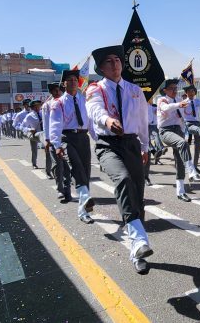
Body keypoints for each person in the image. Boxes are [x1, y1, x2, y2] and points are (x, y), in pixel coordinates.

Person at [86, 45, 153, 275]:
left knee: (138, 194)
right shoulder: (96, 89)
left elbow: (143, 120)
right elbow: (94, 110)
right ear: (101, 68)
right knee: (123, 180)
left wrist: (145, 146)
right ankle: (138, 238)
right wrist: (107, 121)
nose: (115, 64)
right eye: (109, 62)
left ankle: (138, 249)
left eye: (117, 60)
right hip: (108, 144)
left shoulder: (135, 90)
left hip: (132, 144)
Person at [49, 70, 94, 224]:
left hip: (83, 137)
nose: (73, 82)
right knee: (76, 167)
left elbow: (90, 122)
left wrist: (98, 139)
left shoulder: (84, 100)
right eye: (69, 80)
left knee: (86, 172)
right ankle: (85, 197)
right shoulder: (58, 103)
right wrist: (57, 145)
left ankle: (83, 212)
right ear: (64, 84)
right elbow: (54, 125)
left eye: (75, 79)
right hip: (67, 138)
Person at [157, 79, 200, 202]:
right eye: (171, 88)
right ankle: (192, 171)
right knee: (183, 143)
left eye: (175, 88)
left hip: (178, 130)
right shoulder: (162, 100)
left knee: (179, 160)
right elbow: (166, 108)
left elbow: (183, 116)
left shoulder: (179, 100)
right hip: (165, 131)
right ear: (165, 90)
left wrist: (183, 129)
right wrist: (178, 105)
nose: (174, 90)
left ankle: (180, 191)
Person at [43, 82, 72, 195]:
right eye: (55, 90)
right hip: (53, 139)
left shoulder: (66, 102)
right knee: (57, 165)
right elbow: (46, 123)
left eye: (59, 90)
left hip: (65, 138)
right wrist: (47, 139)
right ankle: (60, 189)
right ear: (51, 92)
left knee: (66, 165)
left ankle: (67, 189)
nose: (58, 92)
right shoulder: (47, 105)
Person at [21, 101, 44, 169]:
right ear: (32, 107)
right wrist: (30, 129)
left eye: (39, 105)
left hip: (44, 134)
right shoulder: (29, 116)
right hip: (35, 134)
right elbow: (22, 126)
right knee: (34, 150)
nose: (37, 107)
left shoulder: (43, 113)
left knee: (48, 150)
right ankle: (34, 163)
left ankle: (49, 166)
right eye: (35, 106)